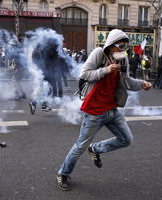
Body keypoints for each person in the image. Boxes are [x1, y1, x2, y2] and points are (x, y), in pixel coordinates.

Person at [56, 29, 152, 191]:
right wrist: (105, 70)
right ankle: (63, 173)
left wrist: (142, 84)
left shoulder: (123, 59)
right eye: (120, 45)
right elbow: (85, 74)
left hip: (112, 109)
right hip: (94, 111)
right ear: (111, 44)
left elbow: (127, 81)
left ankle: (95, 149)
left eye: (125, 46)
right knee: (80, 145)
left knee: (126, 139)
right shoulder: (99, 53)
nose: (123, 49)